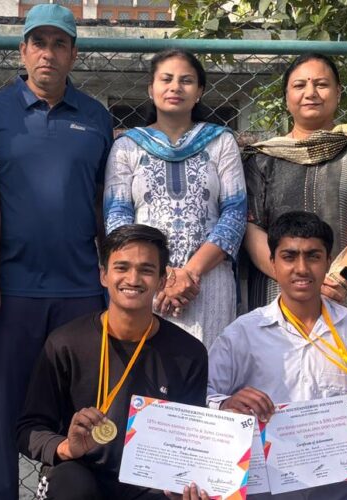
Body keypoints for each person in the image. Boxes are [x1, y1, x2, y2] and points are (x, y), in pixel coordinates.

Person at [241, 53, 347, 473]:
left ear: (337, 93)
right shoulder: (262, 158)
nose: (310, 93)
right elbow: (251, 228)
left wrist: (338, 281)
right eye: (299, 85)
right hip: (277, 299)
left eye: (321, 84)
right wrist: (292, 280)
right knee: (272, 400)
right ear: (286, 97)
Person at [0, 4, 114, 497]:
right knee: (3, 412)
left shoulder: (96, 117)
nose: (48, 54)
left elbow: (104, 204)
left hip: (80, 289)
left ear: (73, 54)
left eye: (60, 44)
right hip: (12, 289)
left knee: (83, 415)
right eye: (39, 43)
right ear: (23, 50)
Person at [208, 211, 347, 499]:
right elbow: (205, 395)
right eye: (289, 257)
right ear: (273, 263)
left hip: (343, 486)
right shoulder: (243, 333)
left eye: (313, 256)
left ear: (328, 262)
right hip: (267, 487)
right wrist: (226, 403)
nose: (301, 268)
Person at [17, 224, 208, 500]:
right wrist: (66, 447)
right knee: (69, 484)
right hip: (81, 473)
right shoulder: (65, 343)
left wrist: (186, 485)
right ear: (103, 275)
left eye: (146, 270)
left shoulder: (189, 354)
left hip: (148, 484)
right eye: (122, 267)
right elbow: (29, 429)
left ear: (162, 280)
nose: (133, 278)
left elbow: (189, 443)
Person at [104, 49, 246, 351]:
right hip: (144, 280)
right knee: (144, 368)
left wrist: (190, 273)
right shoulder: (127, 146)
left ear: (199, 91)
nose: (175, 87)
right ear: (151, 89)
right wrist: (161, 274)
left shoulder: (221, 141)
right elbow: (117, 216)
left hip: (207, 280)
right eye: (166, 79)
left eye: (186, 81)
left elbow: (234, 213)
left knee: (208, 369)